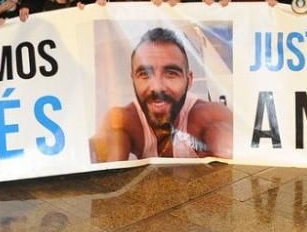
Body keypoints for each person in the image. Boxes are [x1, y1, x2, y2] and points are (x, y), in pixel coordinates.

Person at [90, 27, 233, 161]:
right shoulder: (123, 121)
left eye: (171, 73)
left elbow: (234, 162)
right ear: (133, 79)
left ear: (189, 80)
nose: (157, 87)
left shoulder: (210, 116)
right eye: (145, 74)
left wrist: (220, 143)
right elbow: (109, 177)